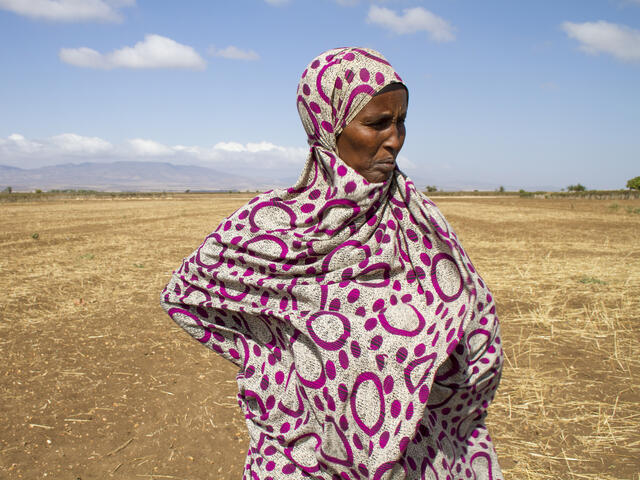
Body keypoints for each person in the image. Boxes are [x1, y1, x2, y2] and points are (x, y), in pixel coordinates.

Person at [161, 47, 503, 480]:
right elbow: (186, 293)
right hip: (303, 459)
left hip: (413, 455)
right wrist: (268, 361)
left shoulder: (415, 219)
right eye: (377, 123)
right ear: (329, 126)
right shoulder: (273, 227)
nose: (395, 138)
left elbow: (472, 322)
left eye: (400, 122)